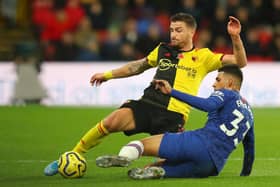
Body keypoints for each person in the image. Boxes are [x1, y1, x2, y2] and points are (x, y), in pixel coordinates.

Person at [44, 12, 247, 176]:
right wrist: (108, 75)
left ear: (191, 33)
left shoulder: (204, 57)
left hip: (174, 115)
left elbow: (240, 62)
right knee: (111, 121)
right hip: (148, 103)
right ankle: (72, 155)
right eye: (171, 30)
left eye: (178, 30)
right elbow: (137, 67)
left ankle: (149, 170)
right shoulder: (162, 50)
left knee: (175, 158)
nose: (173, 34)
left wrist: (235, 37)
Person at [96, 64, 255, 179]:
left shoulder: (226, 93)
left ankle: (125, 157)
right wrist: (244, 175)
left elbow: (207, 105)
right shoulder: (249, 112)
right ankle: (159, 171)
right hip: (212, 166)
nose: (214, 84)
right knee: (158, 168)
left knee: (140, 145)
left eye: (218, 79)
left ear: (230, 84)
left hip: (199, 144)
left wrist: (172, 92)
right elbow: (250, 150)